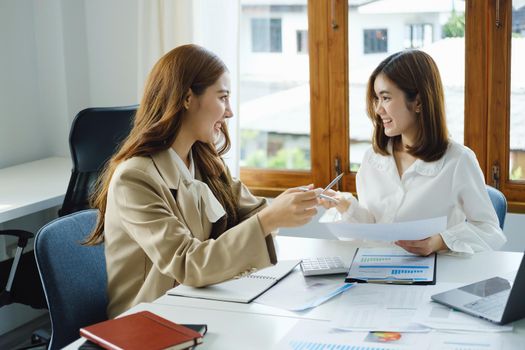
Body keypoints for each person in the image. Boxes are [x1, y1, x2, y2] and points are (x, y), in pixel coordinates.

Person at [84, 44, 320, 318]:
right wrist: (269, 219)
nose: (229, 111)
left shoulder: (204, 161)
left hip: (200, 303)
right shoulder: (135, 179)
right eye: (222, 98)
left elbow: (252, 213)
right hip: (150, 320)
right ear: (187, 98)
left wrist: (282, 208)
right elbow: (187, 263)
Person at [321, 50, 506, 256]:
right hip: (377, 272)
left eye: (386, 98)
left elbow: (490, 231)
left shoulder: (458, 160)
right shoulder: (372, 158)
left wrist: (439, 241)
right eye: (376, 99)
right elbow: (374, 231)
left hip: (435, 277)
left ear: (418, 102)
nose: (378, 109)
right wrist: (347, 207)